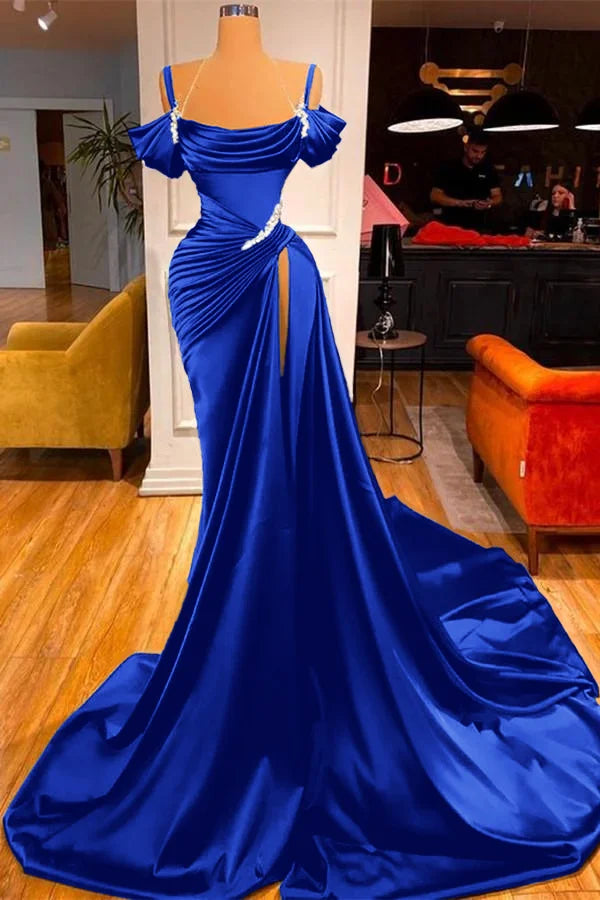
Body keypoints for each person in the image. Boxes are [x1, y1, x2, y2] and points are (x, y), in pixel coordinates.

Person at [5, 10, 600, 900]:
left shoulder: (304, 84)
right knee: (233, 479)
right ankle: (237, 627)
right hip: (204, 287)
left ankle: (285, 626)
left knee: (292, 471)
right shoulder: (174, 84)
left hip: (284, 286)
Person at [430, 125, 503, 230]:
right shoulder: (448, 168)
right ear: (466, 148)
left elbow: (497, 196)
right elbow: (435, 196)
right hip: (451, 225)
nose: (479, 156)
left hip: (480, 227)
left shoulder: (488, 169)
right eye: (475, 151)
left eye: (483, 152)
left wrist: (489, 203)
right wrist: (460, 203)